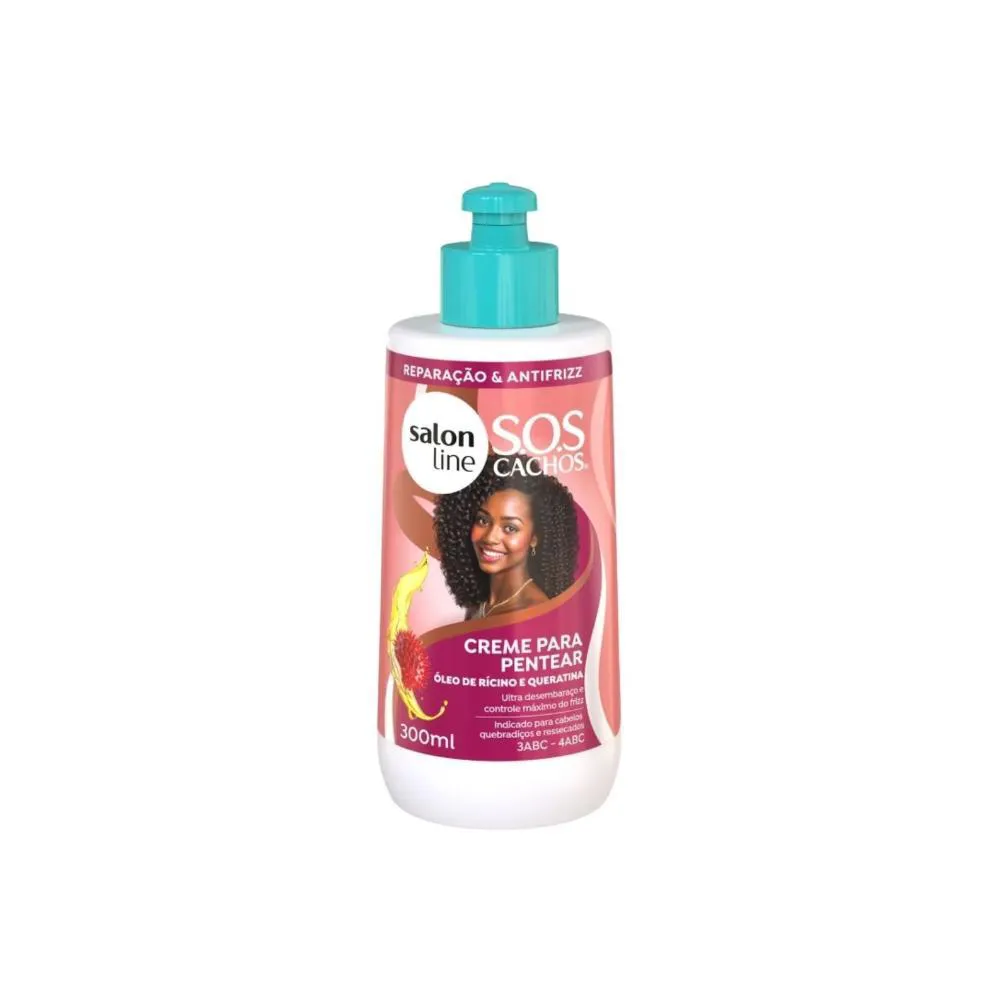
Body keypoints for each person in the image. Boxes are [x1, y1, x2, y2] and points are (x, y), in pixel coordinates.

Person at [434, 456, 579, 620]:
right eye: (483, 520)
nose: (490, 537)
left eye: (510, 528)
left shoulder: (534, 613)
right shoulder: (480, 606)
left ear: (534, 538)